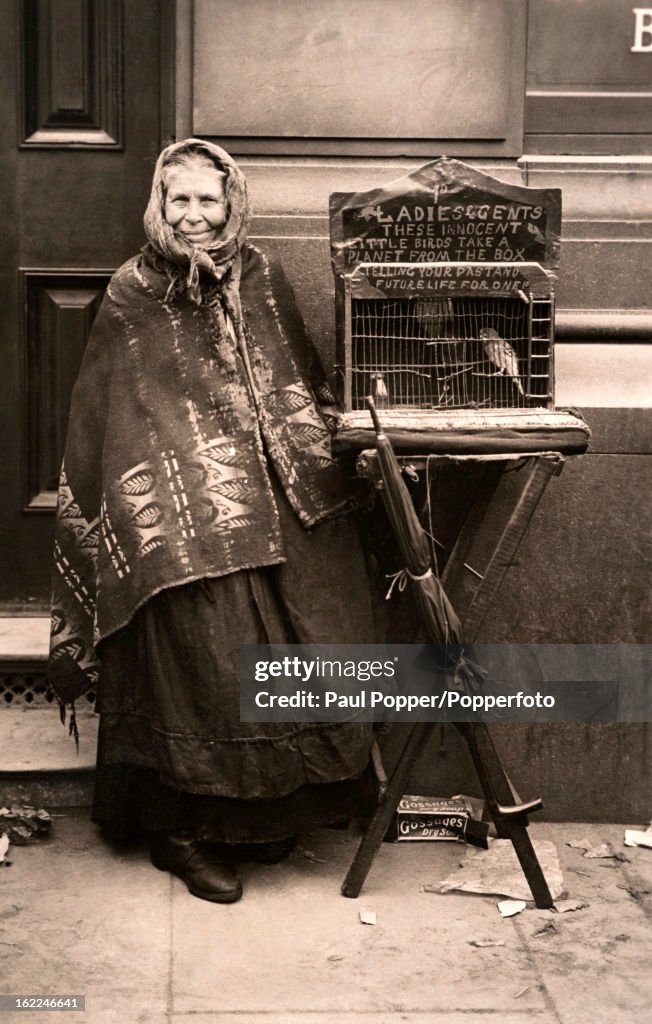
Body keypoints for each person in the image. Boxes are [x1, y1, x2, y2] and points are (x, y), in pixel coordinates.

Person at [48, 139, 376, 904]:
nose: (194, 216)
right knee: (203, 631)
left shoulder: (262, 277)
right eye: (180, 200)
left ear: (231, 205)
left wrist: (322, 456)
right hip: (174, 504)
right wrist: (180, 493)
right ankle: (180, 831)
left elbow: (299, 380)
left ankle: (263, 815)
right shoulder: (132, 293)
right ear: (158, 206)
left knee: (308, 607)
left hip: (274, 487)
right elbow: (112, 416)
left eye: (208, 200)